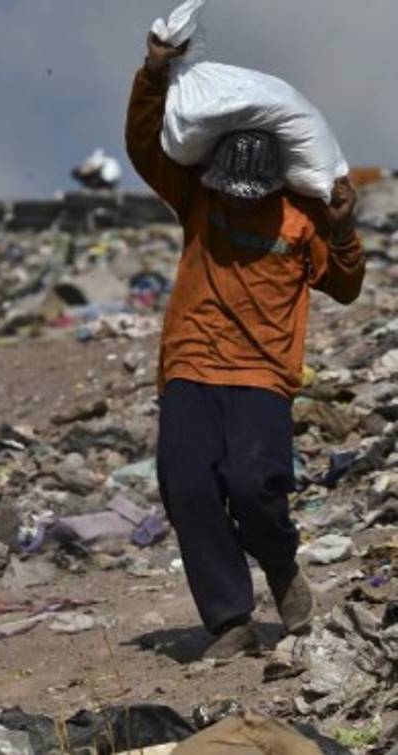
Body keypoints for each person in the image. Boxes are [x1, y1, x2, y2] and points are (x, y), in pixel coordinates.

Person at [126, 34, 364, 659]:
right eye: (228, 188)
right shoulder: (197, 196)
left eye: (246, 193)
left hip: (262, 373)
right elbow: (145, 145)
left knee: (255, 484)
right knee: (187, 485)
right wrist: (152, 74)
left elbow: (345, 287)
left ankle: (280, 565)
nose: (236, 198)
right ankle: (230, 619)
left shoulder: (302, 218)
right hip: (191, 362)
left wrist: (342, 231)